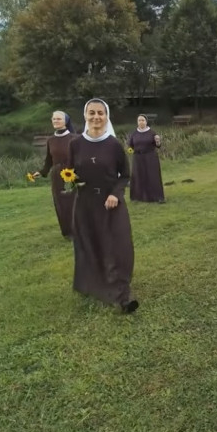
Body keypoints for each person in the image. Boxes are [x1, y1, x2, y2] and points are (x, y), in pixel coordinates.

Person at [68, 99, 138, 313]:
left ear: (107, 117)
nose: (96, 117)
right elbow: (69, 171)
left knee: (118, 246)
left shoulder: (114, 145)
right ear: (85, 116)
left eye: (100, 113)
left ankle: (121, 293)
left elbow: (125, 175)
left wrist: (115, 194)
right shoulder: (75, 144)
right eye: (92, 113)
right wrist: (72, 181)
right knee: (89, 242)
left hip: (110, 203)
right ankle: (92, 283)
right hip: (85, 203)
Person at [32, 111, 78, 239]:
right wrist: (42, 172)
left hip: (72, 173)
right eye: (54, 119)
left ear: (66, 121)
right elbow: (49, 160)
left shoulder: (75, 138)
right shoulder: (51, 140)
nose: (56, 121)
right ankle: (67, 232)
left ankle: (78, 230)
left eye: (59, 119)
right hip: (57, 175)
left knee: (73, 202)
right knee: (60, 203)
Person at [127, 114, 165, 203]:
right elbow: (130, 147)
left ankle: (157, 197)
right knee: (138, 177)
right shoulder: (134, 133)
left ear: (146, 122)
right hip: (138, 158)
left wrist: (158, 141)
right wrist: (132, 152)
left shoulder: (152, 133)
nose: (141, 122)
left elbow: (158, 146)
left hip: (150, 157)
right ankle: (137, 197)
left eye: (143, 120)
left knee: (152, 176)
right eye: (139, 120)